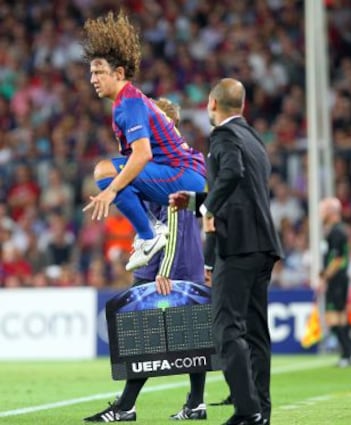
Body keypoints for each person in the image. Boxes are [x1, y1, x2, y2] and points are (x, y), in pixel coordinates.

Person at [83, 99, 208, 423]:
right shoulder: (154, 163)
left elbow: (180, 217)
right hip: (160, 258)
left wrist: (166, 268)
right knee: (156, 332)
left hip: (173, 260)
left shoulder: (176, 165)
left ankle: (143, 405)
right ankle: (183, 403)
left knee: (179, 333)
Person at [170, 78, 283, 425]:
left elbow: (231, 174)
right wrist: (194, 201)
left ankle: (247, 412)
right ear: (243, 106)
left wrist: (207, 210)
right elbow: (240, 192)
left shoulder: (223, 136)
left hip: (237, 247)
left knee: (225, 330)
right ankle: (261, 410)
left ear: (212, 103)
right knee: (255, 332)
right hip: (262, 244)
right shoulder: (254, 138)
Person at [81, 10, 206, 272]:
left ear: (118, 73)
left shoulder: (130, 101)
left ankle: (150, 236)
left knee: (105, 171)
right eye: (91, 73)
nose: (93, 79)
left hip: (183, 175)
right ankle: (150, 234)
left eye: (99, 72)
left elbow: (142, 155)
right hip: (180, 176)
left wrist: (110, 191)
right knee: (115, 173)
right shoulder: (122, 104)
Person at [318, 197, 351, 368]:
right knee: (340, 316)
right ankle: (347, 354)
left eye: (323, 210)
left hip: (337, 279)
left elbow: (337, 259)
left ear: (331, 212)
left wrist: (324, 277)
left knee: (334, 317)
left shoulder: (335, 232)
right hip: (341, 278)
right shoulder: (339, 230)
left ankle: (346, 354)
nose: (321, 214)